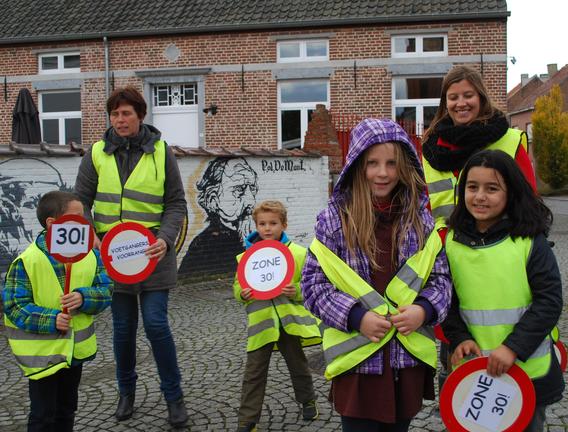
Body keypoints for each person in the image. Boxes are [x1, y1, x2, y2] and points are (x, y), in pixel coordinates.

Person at [302, 118, 451, 431]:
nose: (382, 173)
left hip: (404, 364)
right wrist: (357, 317)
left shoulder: (421, 223)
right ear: (357, 165)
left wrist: (423, 311)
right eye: (372, 163)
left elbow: (441, 281)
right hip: (358, 369)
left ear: (405, 166)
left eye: (391, 164)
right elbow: (313, 287)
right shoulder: (333, 221)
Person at [74, 86, 188, 427]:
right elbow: (81, 202)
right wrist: (91, 233)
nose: (120, 120)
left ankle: (174, 396)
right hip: (113, 256)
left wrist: (166, 239)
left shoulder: (161, 152)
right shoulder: (96, 153)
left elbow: (176, 203)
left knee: (155, 323)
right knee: (123, 329)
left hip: (154, 253)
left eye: (126, 113)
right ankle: (126, 392)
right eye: (114, 114)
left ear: (140, 115)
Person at [421, 65, 537, 389]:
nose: (461, 103)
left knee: (501, 330)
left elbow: (530, 202)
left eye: (468, 95)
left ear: (481, 97)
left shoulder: (510, 139)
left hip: (502, 255)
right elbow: (424, 208)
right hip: (451, 258)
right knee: (455, 340)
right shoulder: (431, 149)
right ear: (445, 102)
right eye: (453, 97)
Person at [441, 149, 564, 432]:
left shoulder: (529, 241)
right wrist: (458, 337)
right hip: (472, 373)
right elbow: (445, 301)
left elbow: (549, 301)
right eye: (472, 187)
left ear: (511, 192)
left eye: (492, 188)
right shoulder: (451, 243)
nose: (480, 196)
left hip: (526, 373)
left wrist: (512, 348)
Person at [2, 190, 112, 432]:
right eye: (77, 218)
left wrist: (85, 297)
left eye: (85, 218)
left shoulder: (91, 255)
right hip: (43, 357)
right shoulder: (28, 261)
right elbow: (13, 305)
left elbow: (106, 289)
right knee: (43, 416)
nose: (84, 224)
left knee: (66, 410)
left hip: (74, 353)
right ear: (53, 223)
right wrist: (51, 319)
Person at [233, 200, 321, 432]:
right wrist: (242, 293)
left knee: (298, 365)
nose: (267, 228)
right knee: (253, 373)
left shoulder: (299, 253)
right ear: (256, 226)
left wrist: (297, 291)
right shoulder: (246, 259)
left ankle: (308, 401)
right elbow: (236, 287)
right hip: (261, 325)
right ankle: (247, 421)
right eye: (262, 224)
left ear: (283, 224)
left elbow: (311, 285)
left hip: (289, 323)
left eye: (273, 223)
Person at [178, 157, 258, 278]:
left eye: (252, 189)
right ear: (213, 199)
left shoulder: (254, 238)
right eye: (239, 190)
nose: (250, 201)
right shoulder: (203, 246)